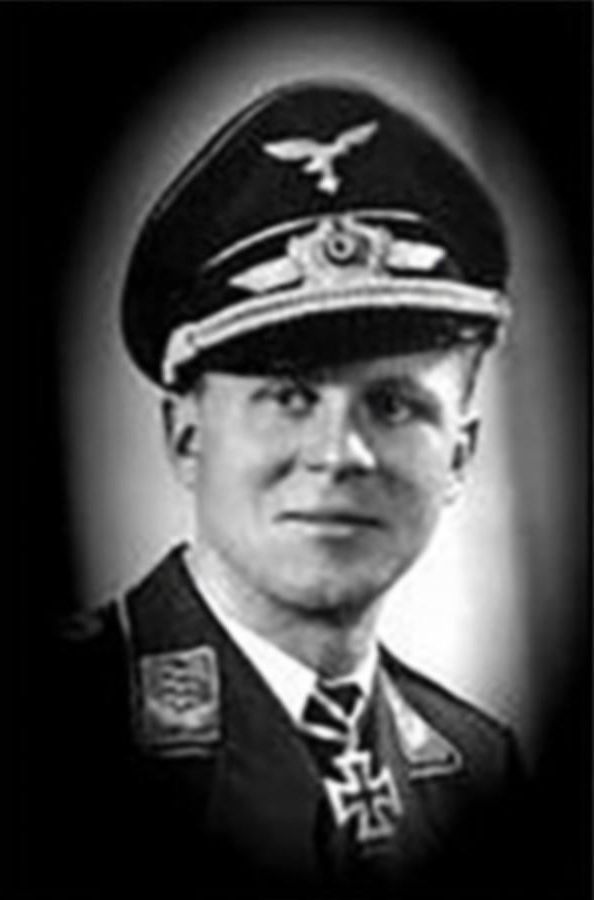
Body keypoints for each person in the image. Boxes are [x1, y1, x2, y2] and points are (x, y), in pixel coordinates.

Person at [53, 81, 529, 899]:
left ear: (459, 456)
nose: (340, 455)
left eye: (393, 404)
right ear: (186, 437)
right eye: (288, 396)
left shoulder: (480, 765)